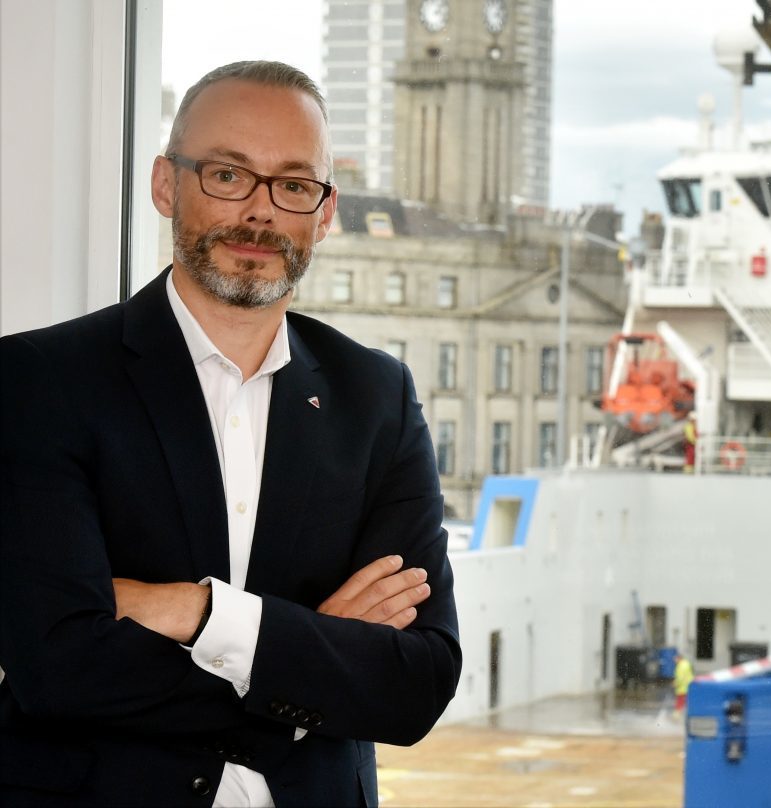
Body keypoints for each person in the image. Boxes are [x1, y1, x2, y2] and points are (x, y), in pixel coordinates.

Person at [0, 61, 460, 807]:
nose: (260, 213)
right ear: (164, 185)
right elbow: (59, 669)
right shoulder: (39, 381)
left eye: (294, 185)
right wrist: (312, 652)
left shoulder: (376, 395)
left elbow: (417, 683)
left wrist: (200, 611)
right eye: (227, 174)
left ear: (325, 211)